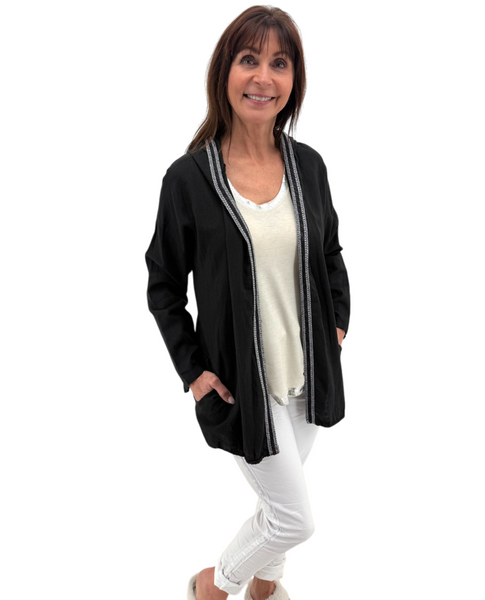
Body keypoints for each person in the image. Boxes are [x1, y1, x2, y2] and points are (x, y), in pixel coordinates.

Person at [144, 5, 351, 600]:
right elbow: (163, 282)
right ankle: (214, 586)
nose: (264, 77)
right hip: (241, 382)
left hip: (309, 374)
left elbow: (330, 253)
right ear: (225, 72)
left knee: (281, 499)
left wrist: (337, 324)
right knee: (293, 518)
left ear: (294, 79)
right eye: (249, 59)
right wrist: (193, 371)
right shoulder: (188, 179)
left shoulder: (308, 166)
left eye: (279, 63)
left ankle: (265, 590)